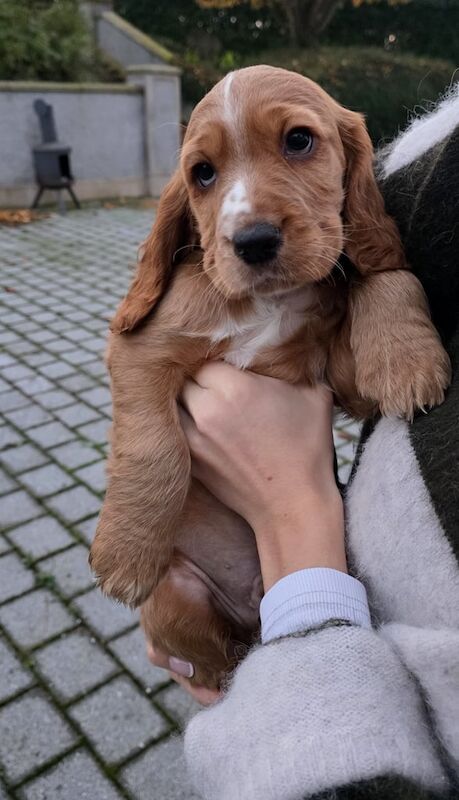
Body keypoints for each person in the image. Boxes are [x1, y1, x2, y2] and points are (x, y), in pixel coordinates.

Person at [147, 88, 459, 799]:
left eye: (295, 141)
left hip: (319, 635)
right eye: (203, 174)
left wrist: (290, 513)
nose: (249, 213)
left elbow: (377, 248)